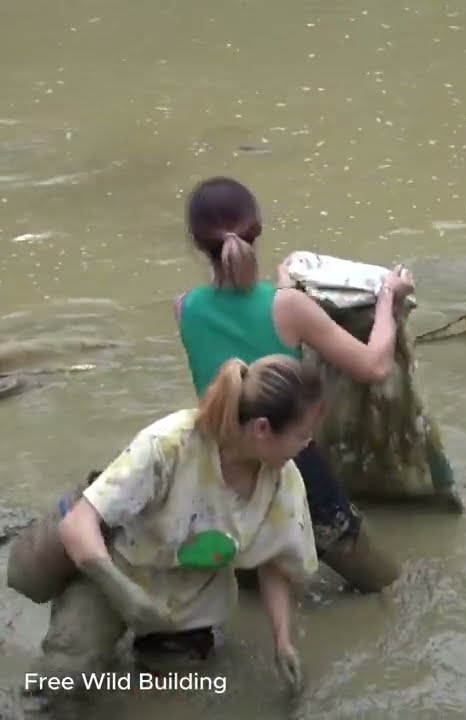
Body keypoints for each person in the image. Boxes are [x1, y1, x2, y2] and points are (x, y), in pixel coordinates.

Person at [24, 354, 321, 706]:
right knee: (63, 681)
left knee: (174, 694)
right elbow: (77, 525)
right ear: (262, 429)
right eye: (302, 435)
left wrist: (282, 639)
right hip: (113, 574)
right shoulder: (169, 445)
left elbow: (275, 562)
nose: (308, 444)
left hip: (187, 599)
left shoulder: (283, 482)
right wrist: (124, 593)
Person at [174, 176, 414, 593]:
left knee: (248, 580)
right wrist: (387, 299)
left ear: (197, 241)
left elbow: (247, 329)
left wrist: (284, 288)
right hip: (290, 459)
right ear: (257, 228)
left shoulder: (184, 308)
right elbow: (375, 366)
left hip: (219, 464)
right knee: (380, 583)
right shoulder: (287, 307)